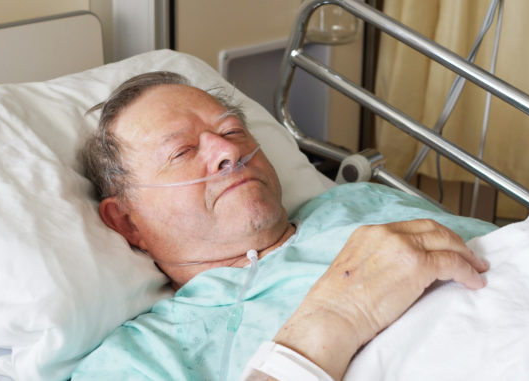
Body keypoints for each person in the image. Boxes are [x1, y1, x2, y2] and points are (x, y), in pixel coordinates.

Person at [73, 71, 496, 380]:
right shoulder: (142, 359)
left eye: (233, 130)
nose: (227, 150)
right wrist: (338, 315)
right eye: (182, 151)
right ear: (127, 222)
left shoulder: (357, 200)